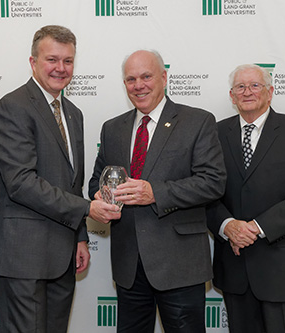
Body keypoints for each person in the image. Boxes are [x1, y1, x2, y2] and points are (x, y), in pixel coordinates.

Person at [0, 25, 120, 333]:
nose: (61, 68)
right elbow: (21, 182)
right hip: (23, 254)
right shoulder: (13, 107)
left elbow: (71, 181)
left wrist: (80, 237)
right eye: (52, 59)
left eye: (68, 61)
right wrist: (87, 210)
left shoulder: (73, 112)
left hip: (62, 253)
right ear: (33, 62)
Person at [88, 50, 226, 332]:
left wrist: (156, 193)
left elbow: (213, 181)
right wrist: (100, 197)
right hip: (129, 264)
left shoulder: (197, 121)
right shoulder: (112, 128)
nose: (139, 85)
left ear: (163, 77)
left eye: (146, 76)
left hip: (179, 265)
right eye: (130, 79)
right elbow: (96, 182)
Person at [206, 64, 285, 333]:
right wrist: (228, 226)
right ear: (231, 95)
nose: (247, 92)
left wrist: (256, 228)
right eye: (240, 87)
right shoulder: (213, 133)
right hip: (235, 269)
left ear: (270, 92)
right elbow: (204, 192)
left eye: (255, 85)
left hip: (283, 272)